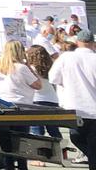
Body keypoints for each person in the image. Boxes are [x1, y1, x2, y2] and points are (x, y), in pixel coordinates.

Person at [0, 40, 40, 170]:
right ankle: (22, 166)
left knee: (6, 140)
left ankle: (9, 165)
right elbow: (38, 85)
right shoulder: (22, 67)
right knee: (21, 141)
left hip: (4, 104)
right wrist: (32, 71)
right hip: (22, 106)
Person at [50, 30, 96, 170]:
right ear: (93, 43)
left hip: (74, 108)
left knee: (77, 139)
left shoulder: (66, 58)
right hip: (93, 109)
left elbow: (53, 78)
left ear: (77, 43)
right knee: (93, 144)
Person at [26, 45, 63, 141]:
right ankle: (61, 151)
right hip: (52, 99)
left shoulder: (30, 69)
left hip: (36, 100)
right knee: (54, 130)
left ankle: (40, 153)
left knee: (37, 130)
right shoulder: (51, 66)